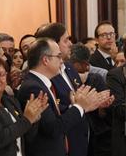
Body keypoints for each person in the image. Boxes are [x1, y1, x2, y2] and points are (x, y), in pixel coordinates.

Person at [17, 38, 109, 156]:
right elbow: (54, 128)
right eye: (58, 56)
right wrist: (80, 106)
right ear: (45, 60)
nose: (62, 61)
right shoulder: (34, 87)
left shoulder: (42, 84)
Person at [0, 57, 48, 156]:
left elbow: (26, 137)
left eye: (1, 75)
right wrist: (27, 119)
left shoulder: (11, 101)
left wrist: (34, 118)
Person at [35, 23, 90, 156]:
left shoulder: (69, 67)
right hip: (63, 143)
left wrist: (91, 103)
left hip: (80, 141)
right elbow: (56, 111)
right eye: (66, 40)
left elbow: (79, 98)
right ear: (53, 44)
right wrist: (78, 105)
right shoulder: (46, 75)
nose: (70, 44)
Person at [69, 44, 114, 156]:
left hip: (97, 139)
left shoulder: (95, 79)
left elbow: (104, 114)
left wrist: (103, 107)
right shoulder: (62, 80)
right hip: (72, 137)